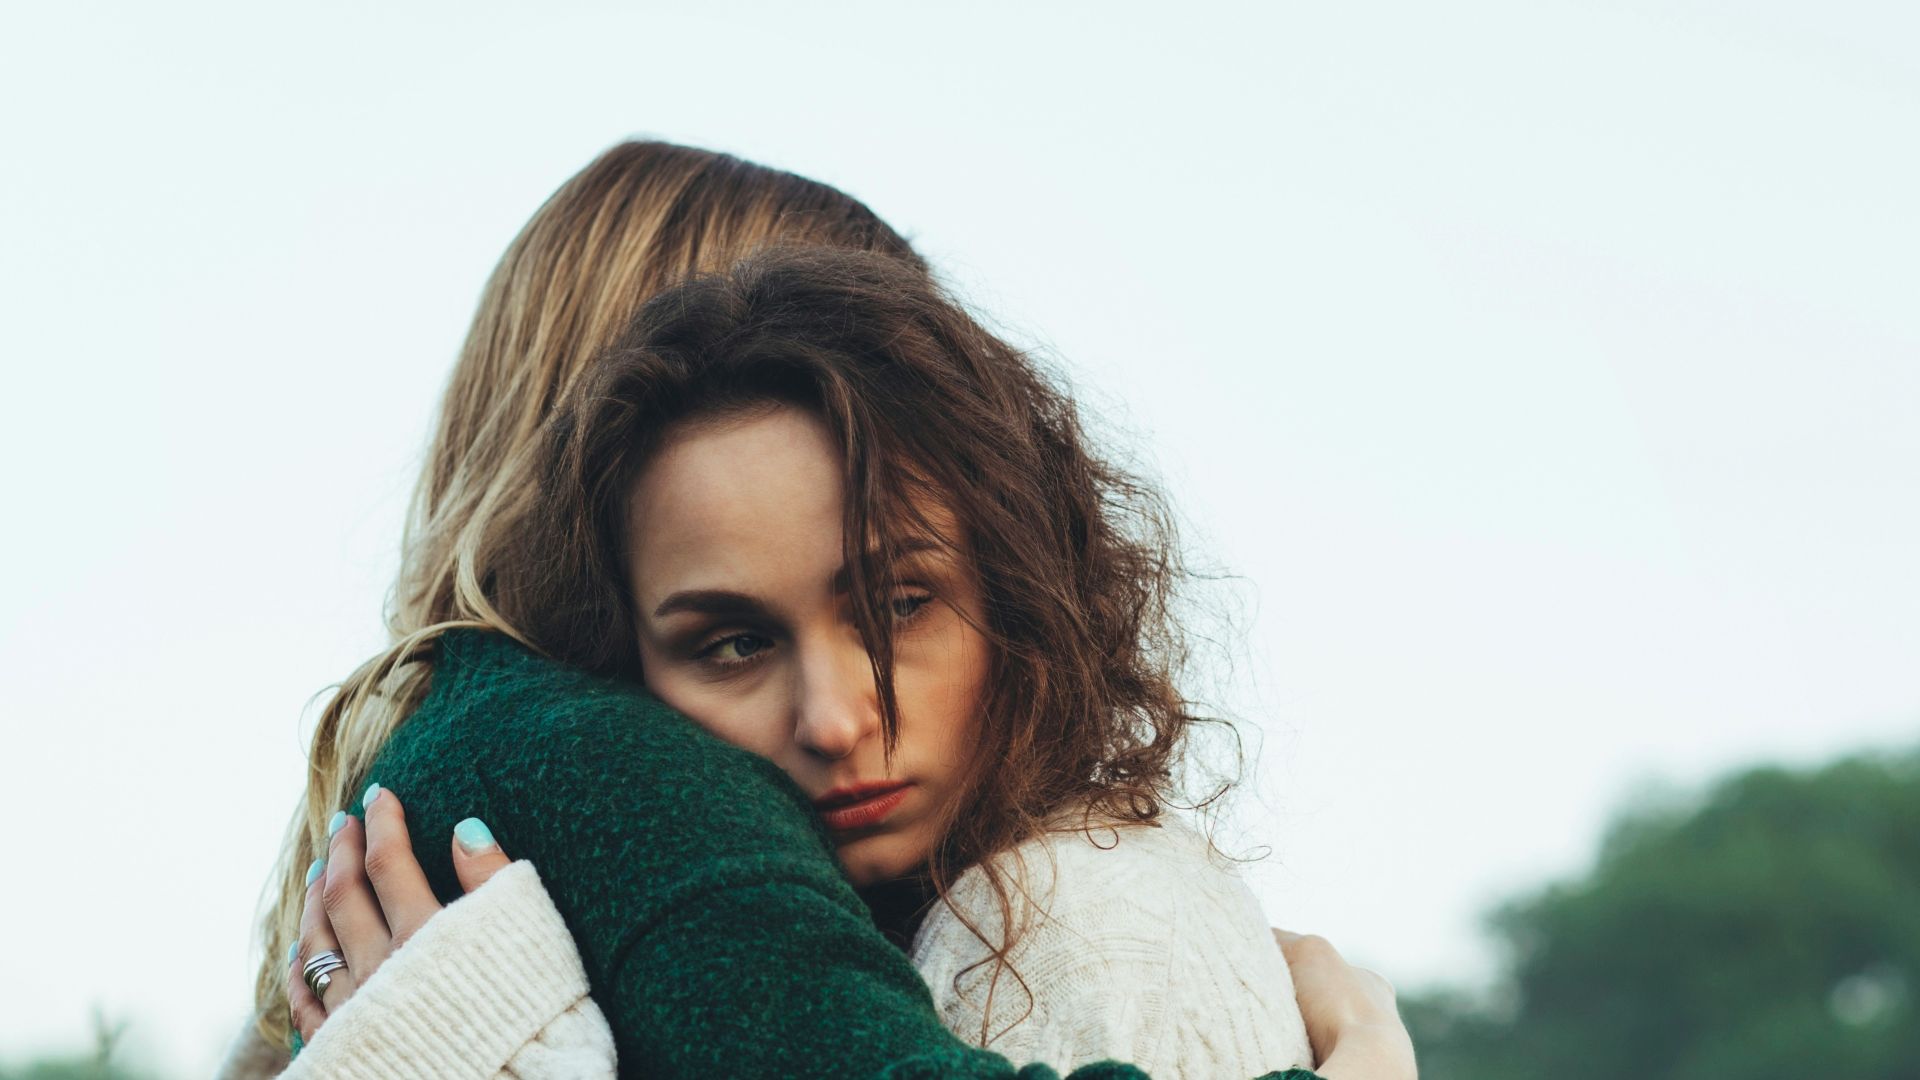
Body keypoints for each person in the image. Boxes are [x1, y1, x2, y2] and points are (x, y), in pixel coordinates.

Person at [217, 144, 1411, 1078]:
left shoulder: (1078, 915)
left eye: (898, 599)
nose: (837, 717)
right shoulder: (613, 769)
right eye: (732, 637)